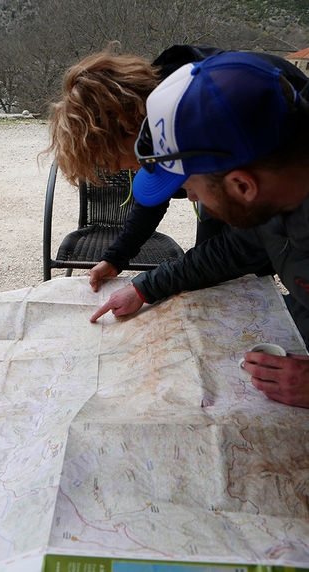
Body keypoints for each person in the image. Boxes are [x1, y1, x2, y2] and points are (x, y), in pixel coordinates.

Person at [90, 51, 309, 408]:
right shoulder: (276, 198)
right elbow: (228, 252)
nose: (190, 198)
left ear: (242, 185)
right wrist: (144, 288)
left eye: (190, 186)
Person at [46, 45, 309, 291]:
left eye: (111, 160)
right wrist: (119, 258)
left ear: (128, 127)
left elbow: (247, 242)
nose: (118, 170)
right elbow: (234, 246)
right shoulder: (166, 122)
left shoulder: (212, 108)